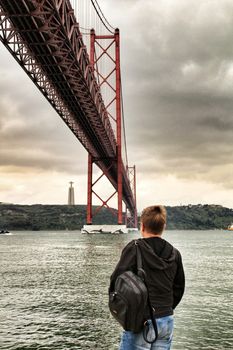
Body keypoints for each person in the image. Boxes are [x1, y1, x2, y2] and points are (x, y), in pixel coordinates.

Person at [110, 205, 185, 350]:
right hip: (166, 320)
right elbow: (179, 288)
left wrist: (123, 312)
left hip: (140, 321)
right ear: (164, 226)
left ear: (142, 225)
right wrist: (165, 309)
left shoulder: (134, 248)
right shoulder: (175, 254)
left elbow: (116, 281)